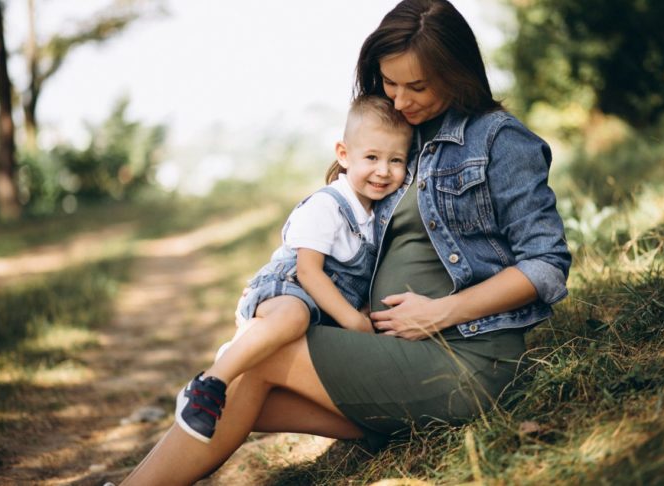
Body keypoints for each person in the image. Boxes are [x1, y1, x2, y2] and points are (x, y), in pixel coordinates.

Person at [121, 0, 571, 483]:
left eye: (416, 86)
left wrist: (441, 312)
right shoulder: (401, 137)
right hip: (398, 352)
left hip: (465, 357)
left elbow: (547, 264)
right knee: (245, 381)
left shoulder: (500, 142)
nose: (399, 101)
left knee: (258, 356)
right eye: (389, 84)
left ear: (456, 73)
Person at [175, 95, 412, 443]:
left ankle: (245, 358)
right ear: (344, 155)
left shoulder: (378, 215)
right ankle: (212, 382)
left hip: (319, 309)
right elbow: (308, 272)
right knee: (294, 317)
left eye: (396, 160)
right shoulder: (328, 205)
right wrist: (351, 320)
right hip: (287, 289)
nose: (383, 170)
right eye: (372, 157)